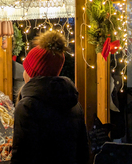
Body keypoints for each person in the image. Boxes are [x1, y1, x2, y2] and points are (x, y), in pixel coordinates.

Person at [11, 31, 90, 164]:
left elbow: (21, 156)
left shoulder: (27, 106)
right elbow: (83, 152)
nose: (23, 72)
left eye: (26, 68)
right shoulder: (74, 104)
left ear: (32, 73)